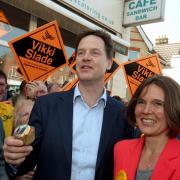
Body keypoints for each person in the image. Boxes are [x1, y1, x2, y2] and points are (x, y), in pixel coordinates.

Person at [3, 30, 133, 180]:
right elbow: (26, 160)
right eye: (81, 53)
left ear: (109, 62)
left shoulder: (123, 115)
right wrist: (14, 157)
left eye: (95, 53)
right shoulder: (46, 106)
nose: (86, 58)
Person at [114, 75, 180, 180]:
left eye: (157, 104)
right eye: (141, 102)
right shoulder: (121, 149)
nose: (146, 110)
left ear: (174, 108)